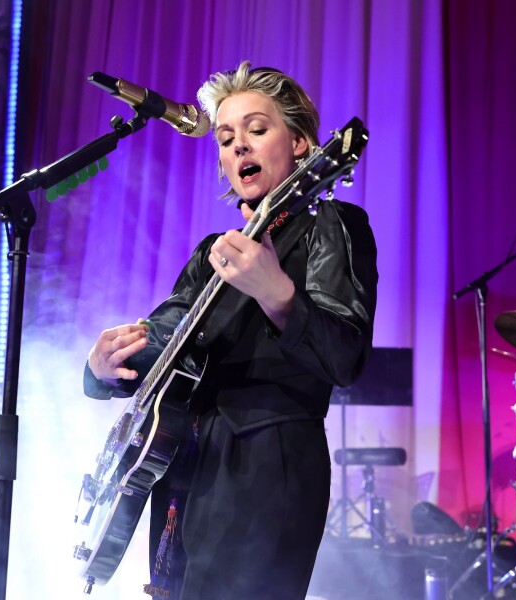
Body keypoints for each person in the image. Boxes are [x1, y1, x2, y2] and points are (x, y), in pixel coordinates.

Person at [84, 61, 378, 600]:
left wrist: (277, 293)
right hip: (185, 467)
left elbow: (346, 358)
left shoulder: (333, 226)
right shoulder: (212, 254)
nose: (239, 145)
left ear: (302, 146)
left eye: (257, 130)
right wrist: (104, 367)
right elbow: (163, 341)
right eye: (225, 137)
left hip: (268, 464)